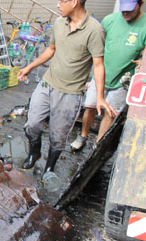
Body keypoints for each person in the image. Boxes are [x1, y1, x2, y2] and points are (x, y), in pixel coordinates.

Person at [17, 0, 113, 175]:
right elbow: (51, 49)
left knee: (58, 136)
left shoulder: (94, 30)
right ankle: (34, 153)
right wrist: (30, 67)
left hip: (70, 93)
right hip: (47, 84)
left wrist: (100, 96)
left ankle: (49, 167)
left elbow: (98, 65)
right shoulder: (59, 22)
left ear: (75, 2)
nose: (58, 5)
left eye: (62, 1)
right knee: (32, 124)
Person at [70, 0, 146, 151]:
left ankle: (98, 144)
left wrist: (142, 61)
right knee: (90, 107)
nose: (125, 13)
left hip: (122, 80)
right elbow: (96, 43)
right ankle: (83, 136)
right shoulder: (110, 20)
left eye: (130, 10)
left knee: (109, 113)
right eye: (123, 9)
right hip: (101, 75)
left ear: (141, 4)